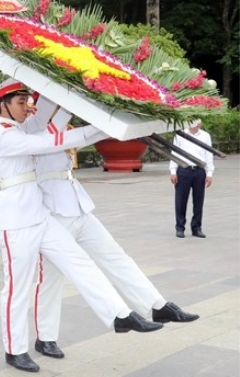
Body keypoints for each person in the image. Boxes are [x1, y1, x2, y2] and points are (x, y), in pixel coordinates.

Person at [0, 80, 162, 373]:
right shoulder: (3, 134)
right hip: (16, 221)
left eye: (27, 101)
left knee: (79, 262)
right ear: (3, 104)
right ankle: (14, 349)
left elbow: (45, 119)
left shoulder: (18, 127)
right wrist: (107, 126)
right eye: (20, 103)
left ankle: (119, 315)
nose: (26, 107)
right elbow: (54, 141)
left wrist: (73, 89)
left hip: (40, 214)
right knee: (17, 288)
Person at [30, 101, 199, 360]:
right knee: (50, 281)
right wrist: (73, 98)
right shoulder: (33, 134)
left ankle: (156, 305)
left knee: (116, 256)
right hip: (53, 214)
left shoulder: (57, 129)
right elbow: (61, 131)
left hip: (78, 207)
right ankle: (46, 336)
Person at [170, 120, 214, 238]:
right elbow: (174, 153)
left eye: (198, 122)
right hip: (184, 169)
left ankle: (196, 227)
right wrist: (173, 171)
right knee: (180, 201)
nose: (196, 124)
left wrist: (209, 173)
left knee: (198, 201)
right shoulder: (180, 134)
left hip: (199, 171)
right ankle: (180, 227)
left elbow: (208, 155)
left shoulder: (205, 136)